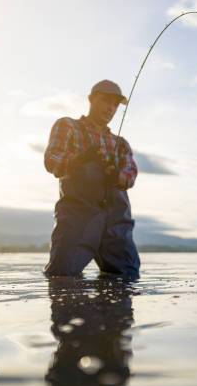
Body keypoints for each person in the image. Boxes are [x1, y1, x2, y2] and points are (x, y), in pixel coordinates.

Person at [43, 79, 140, 279]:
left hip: (116, 224)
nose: (111, 108)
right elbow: (52, 160)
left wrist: (116, 175)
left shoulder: (121, 144)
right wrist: (78, 160)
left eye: (115, 104)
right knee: (60, 276)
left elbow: (130, 177)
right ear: (91, 99)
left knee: (127, 278)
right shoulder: (67, 125)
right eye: (106, 101)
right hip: (77, 219)